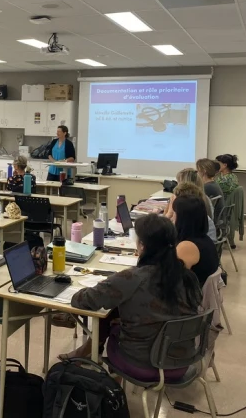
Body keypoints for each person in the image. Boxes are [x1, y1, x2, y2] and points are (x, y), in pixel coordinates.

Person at [58, 214, 202, 384]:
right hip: (180, 363)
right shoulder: (187, 277)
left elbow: (82, 300)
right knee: (117, 314)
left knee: (113, 322)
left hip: (143, 364)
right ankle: (88, 350)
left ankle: (107, 386)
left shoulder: (133, 278)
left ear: (142, 246)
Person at [173, 195, 220, 287]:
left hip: (190, 297)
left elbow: (174, 280)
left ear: (183, 218)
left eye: (175, 213)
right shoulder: (205, 240)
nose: (172, 217)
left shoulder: (187, 247)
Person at [196, 158, 225, 224]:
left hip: (209, 221)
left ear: (204, 171)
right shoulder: (213, 184)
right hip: (215, 218)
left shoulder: (207, 187)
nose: (197, 173)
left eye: (198, 170)